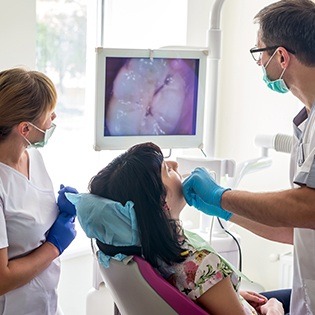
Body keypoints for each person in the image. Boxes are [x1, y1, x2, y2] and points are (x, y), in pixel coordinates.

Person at [182, 1, 315, 314]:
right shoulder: (304, 122)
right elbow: (296, 228)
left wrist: (223, 195)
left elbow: (307, 208)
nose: (259, 64)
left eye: (260, 53)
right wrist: (225, 210)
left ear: (281, 57)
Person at [76, 142, 284, 315]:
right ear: (162, 203)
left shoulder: (142, 253)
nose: (175, 164)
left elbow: (195, 297)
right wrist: (274, 310)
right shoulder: (201, 265)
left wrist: (233, 295)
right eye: (166, 169)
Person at [0, 67, 77, 315]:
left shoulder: (34, 157)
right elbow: (2, 279)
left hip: (46, 302)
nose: (53, 117)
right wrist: (55, 245)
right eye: (48, 114)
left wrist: (61, 212)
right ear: (25, 129)